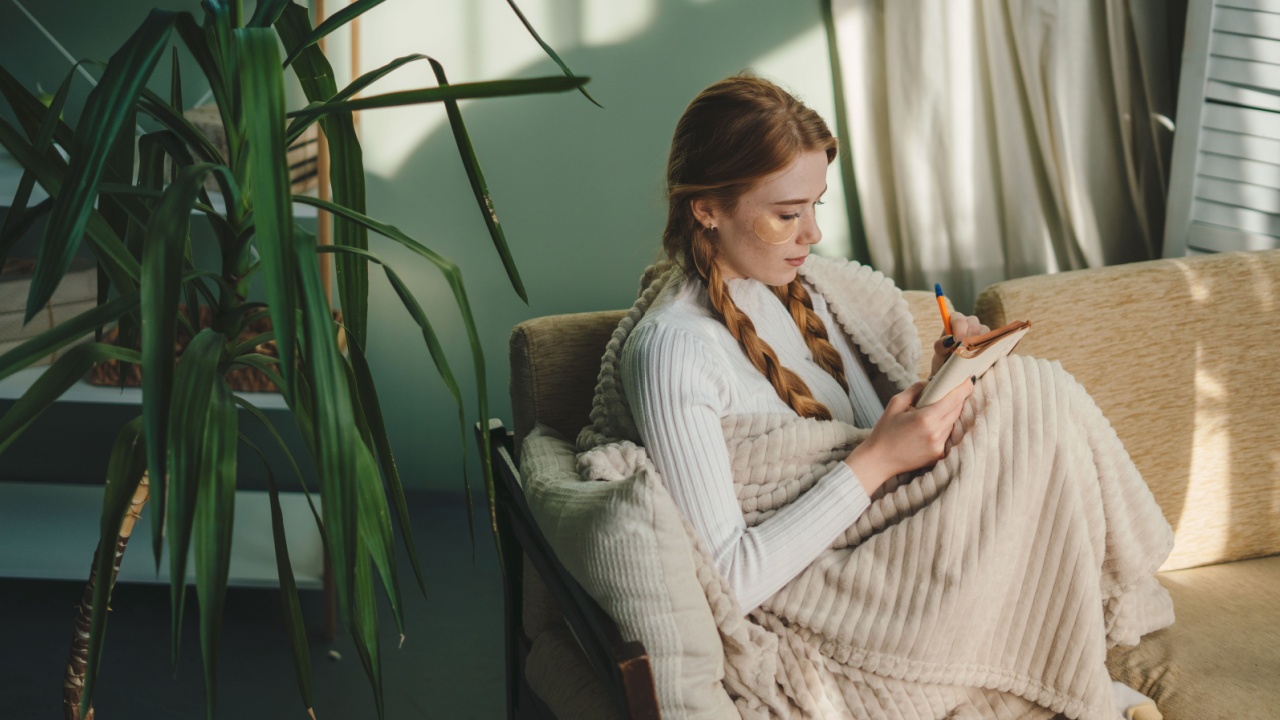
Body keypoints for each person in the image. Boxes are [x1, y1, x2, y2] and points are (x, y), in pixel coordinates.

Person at [608, 74, 1170, 719]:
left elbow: (874, 452)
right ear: (706, 207)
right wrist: (876, 460)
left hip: (889, 547)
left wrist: (942, 383)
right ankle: (1083, 693)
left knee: (1021, 394)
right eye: (787, 214)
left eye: (816, 206)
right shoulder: (675, 350)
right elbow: (728, 579)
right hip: (827, 598)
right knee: (1035, 394)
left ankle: (1064, 680)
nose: (812, 235)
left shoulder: (806, 295)